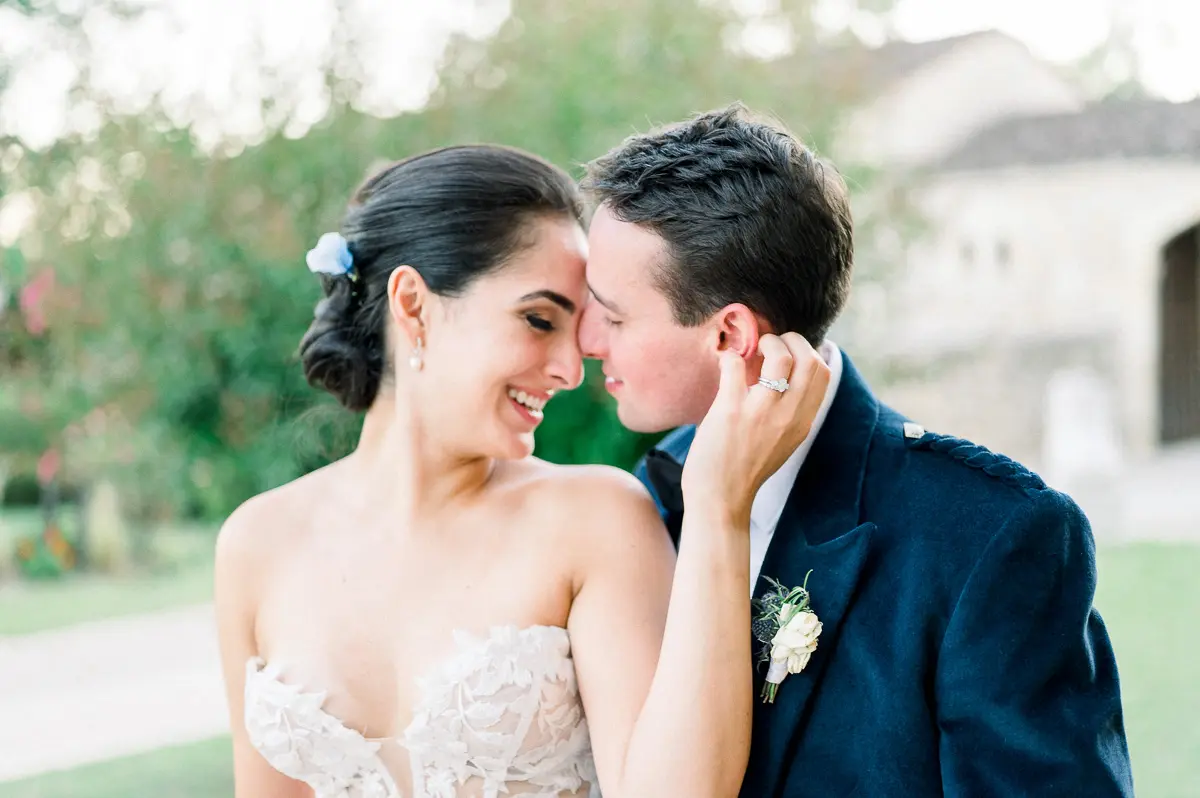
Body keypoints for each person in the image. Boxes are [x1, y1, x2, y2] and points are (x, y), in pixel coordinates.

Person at [214, 143, 831, 798]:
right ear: (414, 305)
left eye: (583, 326)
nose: (570, 370)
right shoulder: (255, 543)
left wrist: (718, 509)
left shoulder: (597, 517)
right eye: (539, 320)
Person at [578, 104, 1135, 797]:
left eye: (614, 317)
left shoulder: (991, 536)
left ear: (729, 336)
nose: (588, 341)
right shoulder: (648, 496)